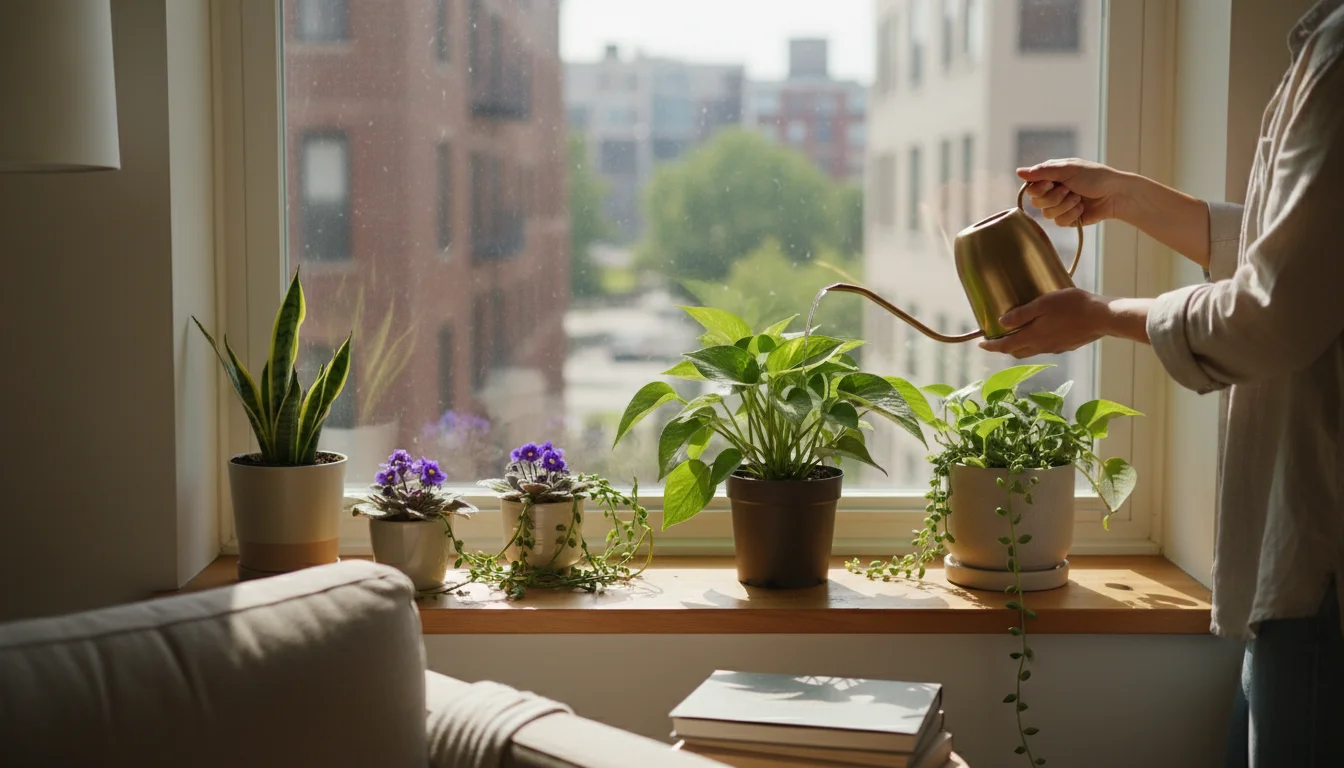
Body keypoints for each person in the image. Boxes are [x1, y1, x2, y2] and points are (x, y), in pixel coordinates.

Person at [979, 2, 1344, 766]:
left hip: (1324, 564)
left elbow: (1277, 311)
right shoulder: (1324, 42)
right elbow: (1303, 252)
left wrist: (1104, 316)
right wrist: (1131, 199)